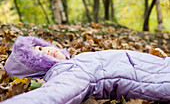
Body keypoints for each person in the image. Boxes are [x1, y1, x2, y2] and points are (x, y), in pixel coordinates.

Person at [1, 36, 170, 104]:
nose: (45, 50)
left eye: (40, 47)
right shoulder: (67, 71)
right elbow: (55, 95)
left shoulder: (75, 60)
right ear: (35, 69)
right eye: (37, 54)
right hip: (160, 79)